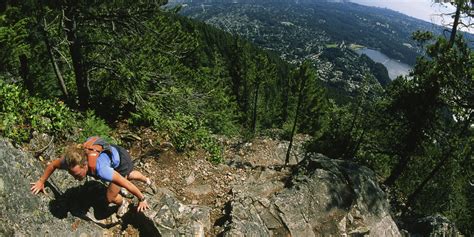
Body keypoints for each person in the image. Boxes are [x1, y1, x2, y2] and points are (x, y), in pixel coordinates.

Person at [31, 137, 151, 217]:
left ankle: (124, 202)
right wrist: (41, 181)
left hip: (121, 162)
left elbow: (127, 184)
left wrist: (142, 199)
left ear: (85, 165)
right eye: (72, 174)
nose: (75, 178)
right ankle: (145, 180)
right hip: (111, 155)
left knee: (112, 195)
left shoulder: (101, 169)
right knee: (126, 177)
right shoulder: (69, 161)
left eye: (77, 175)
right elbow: (52, 165)